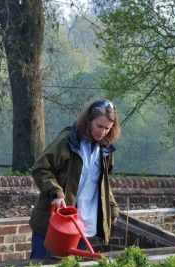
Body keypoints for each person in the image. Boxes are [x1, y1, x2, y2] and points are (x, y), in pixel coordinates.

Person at [29, 99, 120, 258]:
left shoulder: (105, 149)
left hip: (83, 225)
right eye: (99, 126)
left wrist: (111, 207)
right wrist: (56, 193)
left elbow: (101, 183)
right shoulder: (67, 140)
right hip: (55, 223)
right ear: (88, 121)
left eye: (107, 128)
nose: (102, 132)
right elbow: (40, 168)